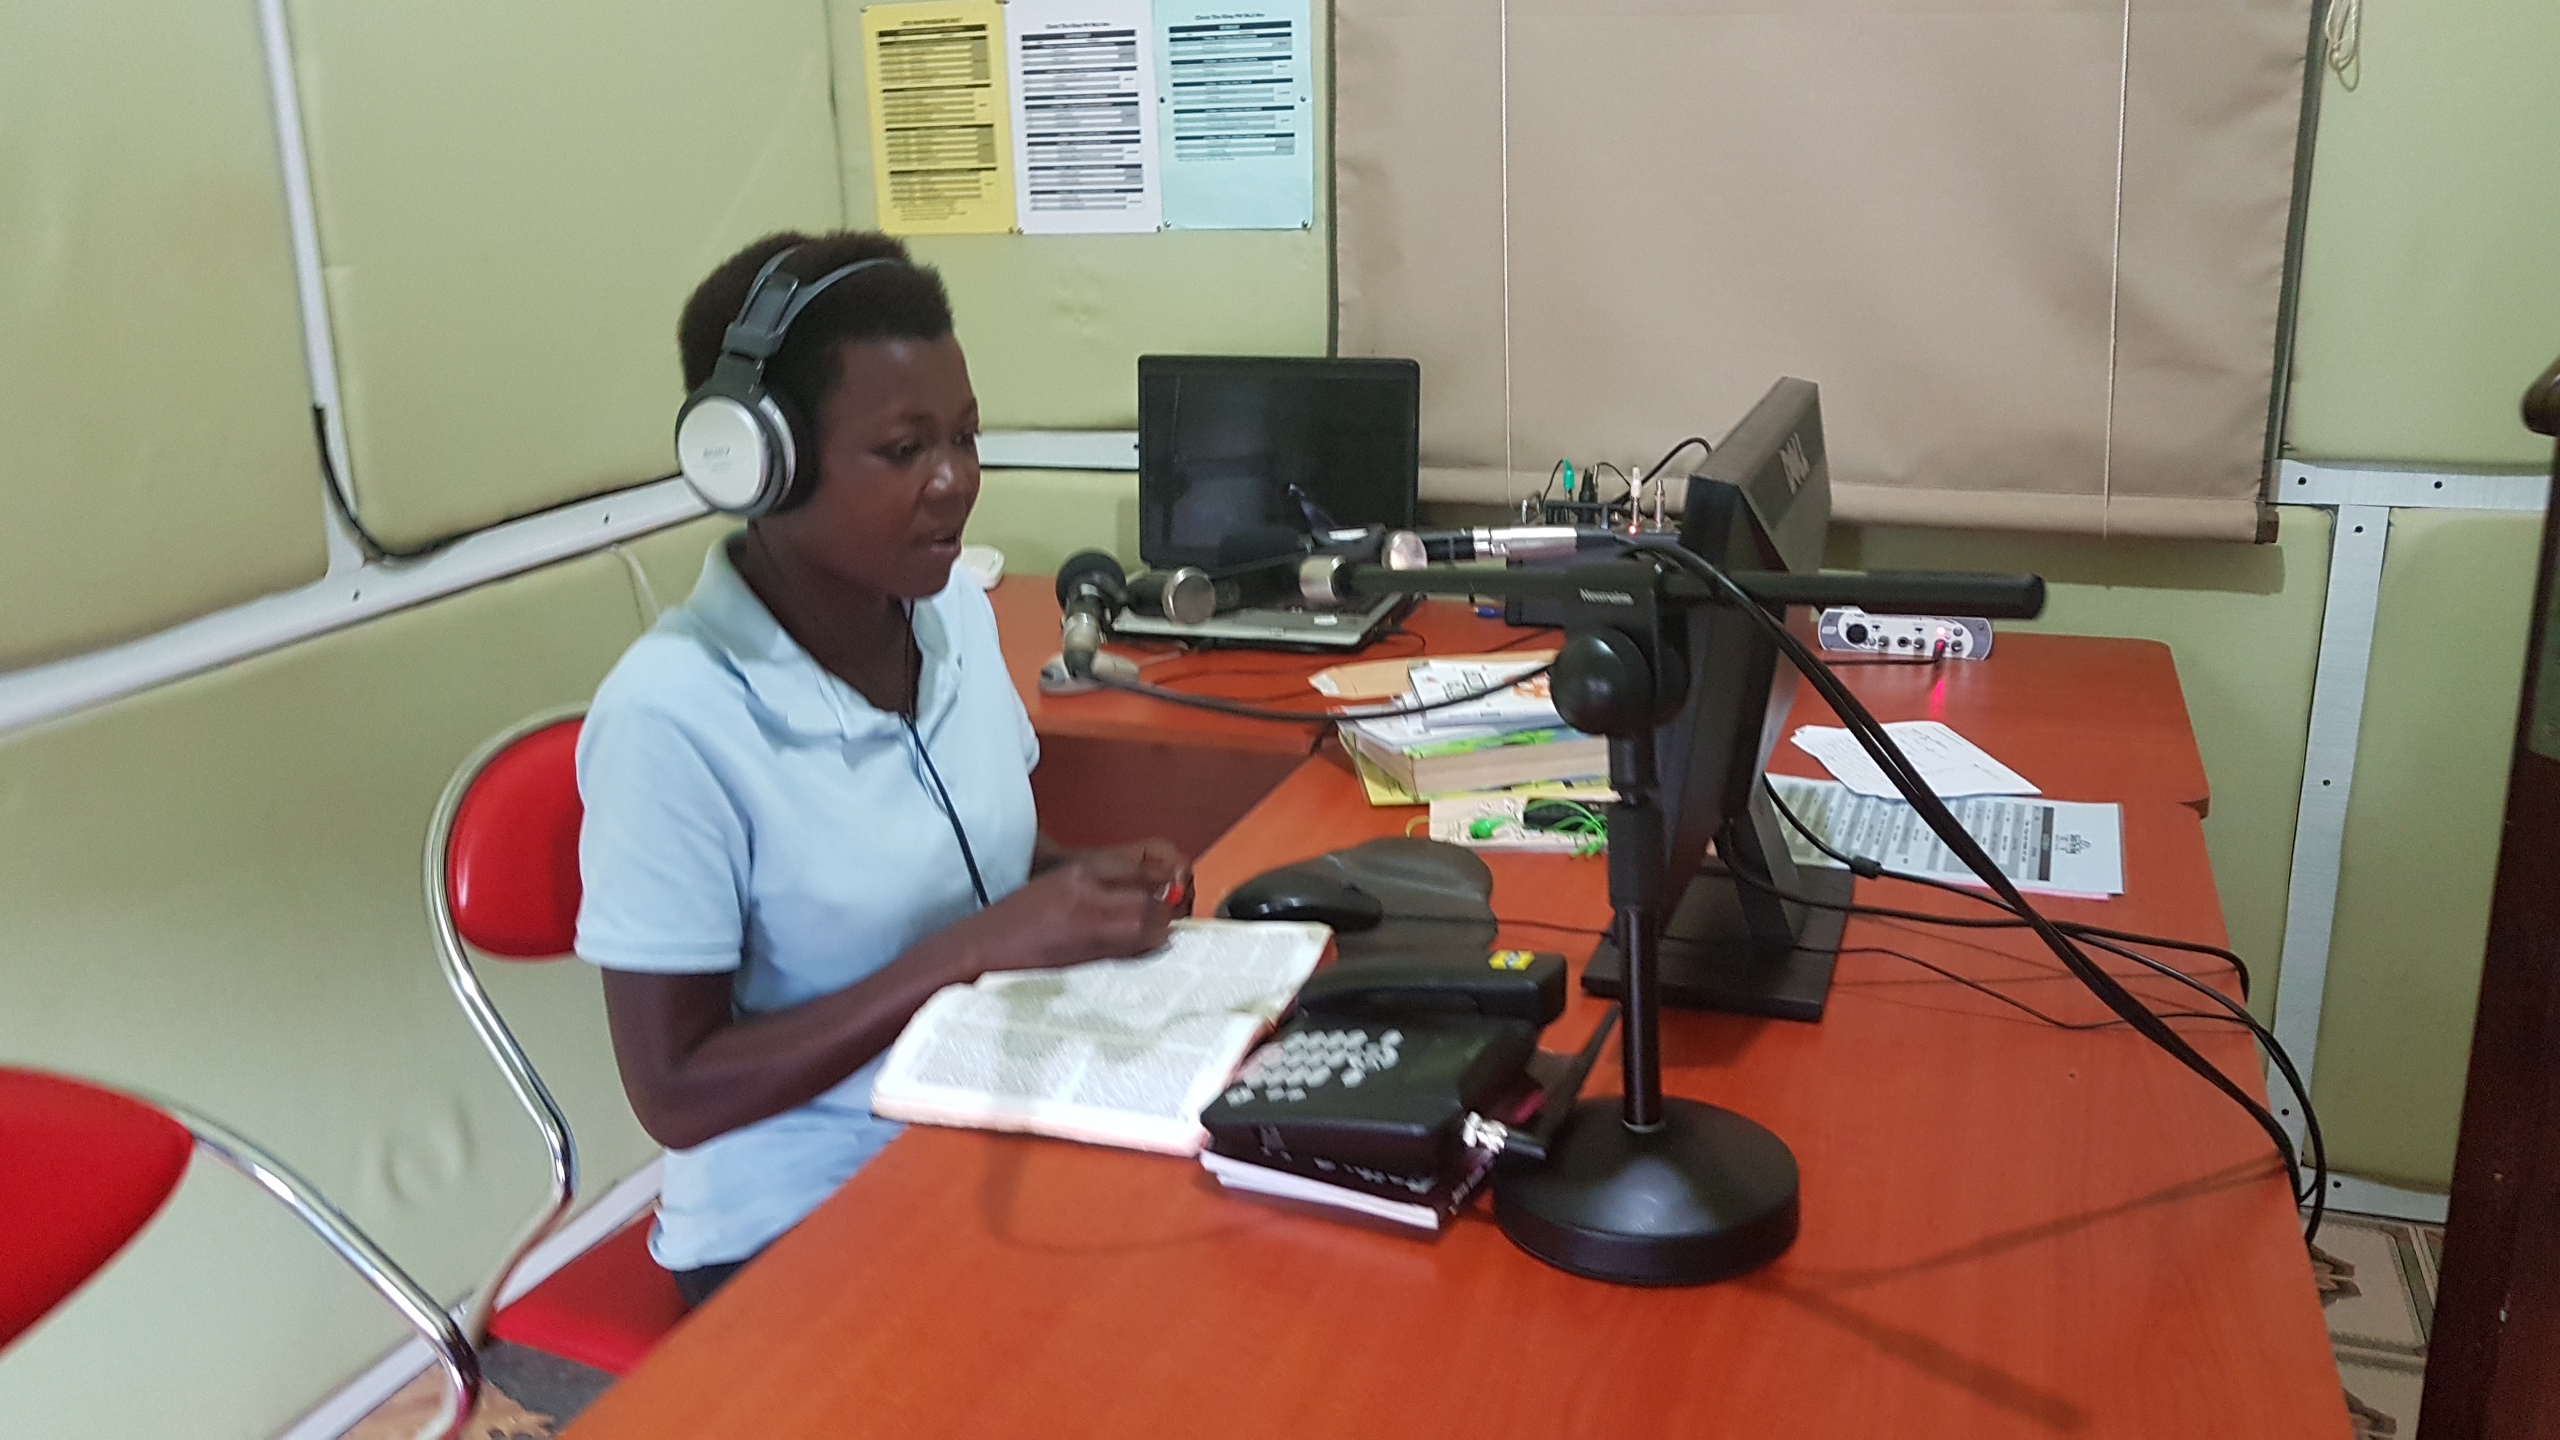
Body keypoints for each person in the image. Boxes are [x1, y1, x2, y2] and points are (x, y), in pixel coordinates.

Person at [574, 230, 1188, 1307]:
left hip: (987, 1122)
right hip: (796, 1220)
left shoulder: (949, 614)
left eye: (965, 436)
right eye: (904, 450)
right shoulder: (670, 716)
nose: (956, 481)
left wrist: (1076, 880)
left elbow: (962, 857)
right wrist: (972, 952)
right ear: (759, 465)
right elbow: (674, 1090)